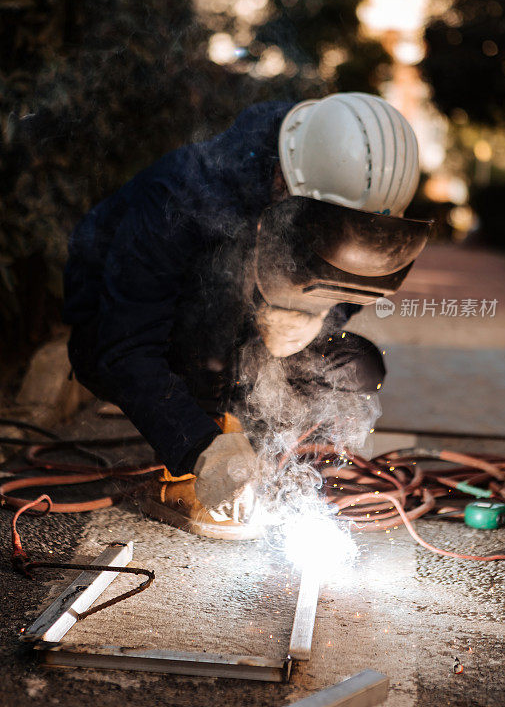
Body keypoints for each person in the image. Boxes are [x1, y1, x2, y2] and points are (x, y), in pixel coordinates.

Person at [63, 93, 431, 539]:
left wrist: (317, 316)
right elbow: (125, 347)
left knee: (357, 367)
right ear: (285, 178)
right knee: (216, 301)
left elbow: (347, 285)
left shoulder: (324, 188)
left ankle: (263, 452)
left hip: (242, 345)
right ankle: (194, 457)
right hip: (137, 342)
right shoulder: (180, 194)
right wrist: (200, 448)